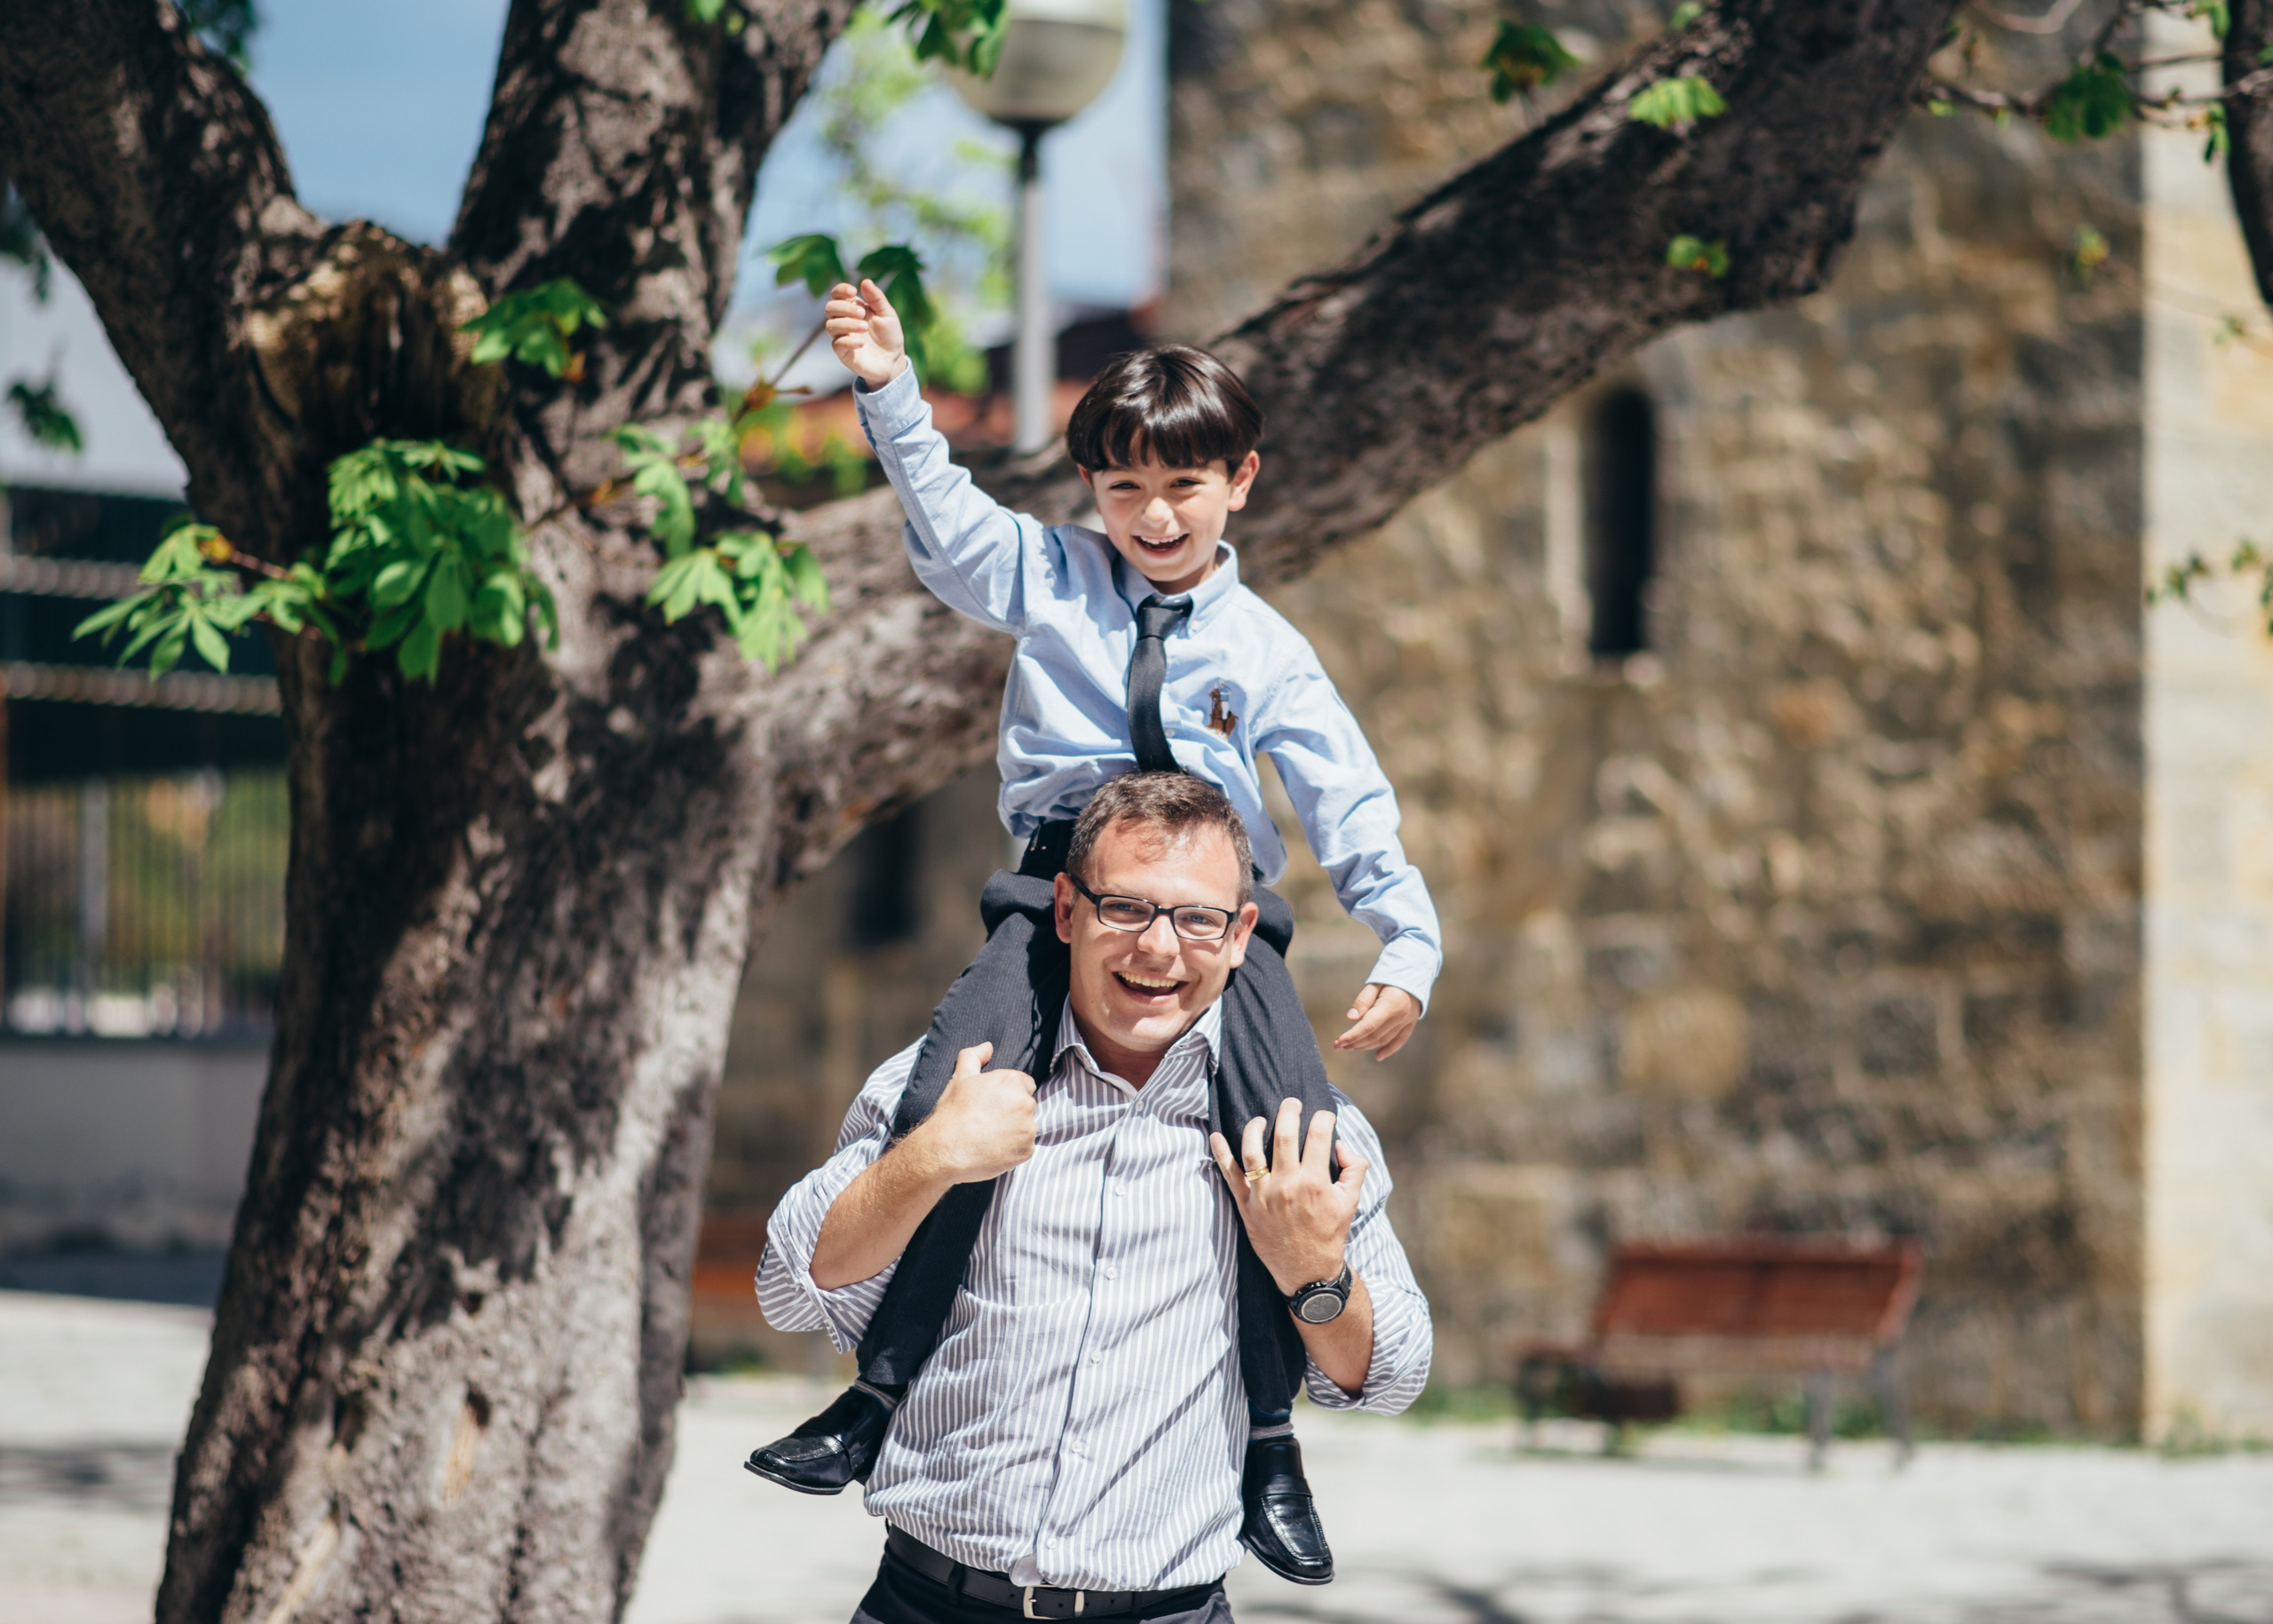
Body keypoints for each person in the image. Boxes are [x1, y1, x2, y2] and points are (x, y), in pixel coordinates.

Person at [744, 279, 1443, 1587]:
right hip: (1051, 889)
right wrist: (890, 391)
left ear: (1240, 482)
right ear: (1090, 490)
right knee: (946, 1111)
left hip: (1223, 917)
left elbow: (1348, 800)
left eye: (1184, 487)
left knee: (1281, 1140)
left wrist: (1407, 943)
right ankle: (875, 1395)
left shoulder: (1267, 650)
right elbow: (947, 523)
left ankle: (1270, 1444)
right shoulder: (1052, 576)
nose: (1155, 517)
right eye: (1125, 490)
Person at [756, 775, 1433, 1623]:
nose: (1159, 947)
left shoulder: (1301, 1131)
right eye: (1127, 908)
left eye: (1197, 918)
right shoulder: (958, 1081)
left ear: (1239, 935)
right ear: (1067, 910)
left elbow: (1392, 1374)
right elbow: (789, 1288)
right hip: (925, 1602)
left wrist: (1313, 1270)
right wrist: (928, 1158)